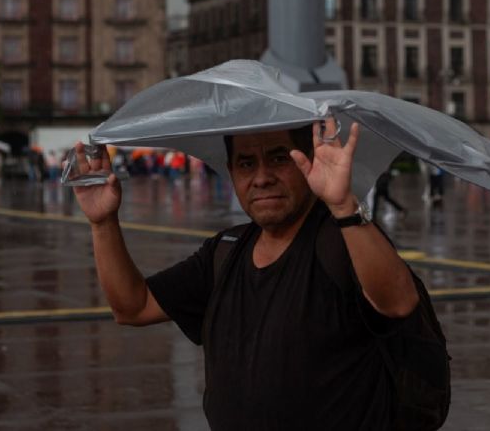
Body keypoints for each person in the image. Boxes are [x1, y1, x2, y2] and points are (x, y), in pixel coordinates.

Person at [70, 118, 421, 429]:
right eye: (246, 163)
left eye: (280, 158)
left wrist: (344, 207)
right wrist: (103, 223)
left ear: (309, 162)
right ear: (231, 172)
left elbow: (399, 302)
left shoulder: (343, 240)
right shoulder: (225, 251)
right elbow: (132, 307)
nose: (262, 178)